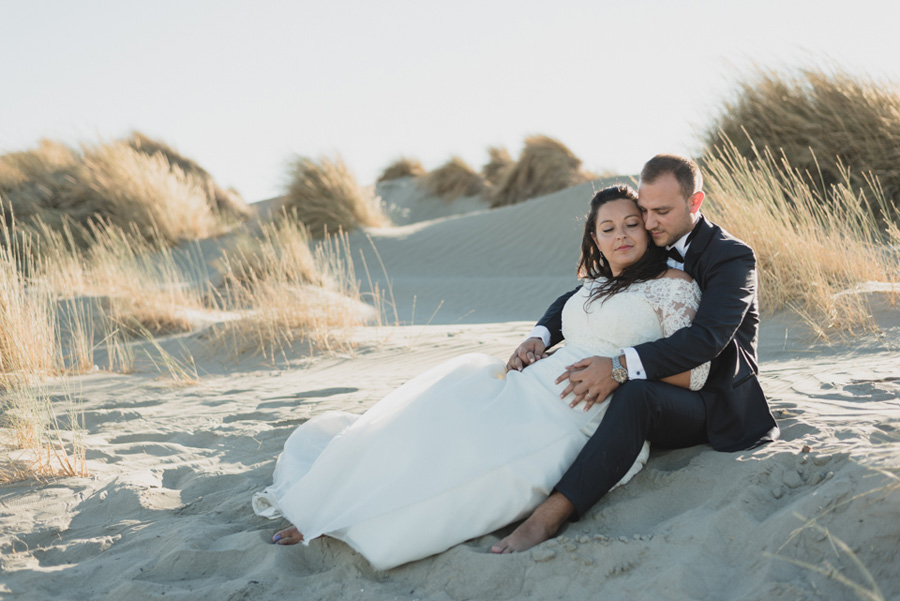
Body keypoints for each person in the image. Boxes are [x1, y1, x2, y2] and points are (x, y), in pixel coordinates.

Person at [251, 184, 710, 570]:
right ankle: (328, 507)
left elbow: (692, 372)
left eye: (632, 223)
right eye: (608, 228)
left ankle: (358, 517)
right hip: (527, 383)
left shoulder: (673, 286)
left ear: (649, 228)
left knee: (475, 456)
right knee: (438, 417)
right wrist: (537, 338)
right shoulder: (594, 283)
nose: (621, 235)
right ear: (594, 237)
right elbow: (563, 315)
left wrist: (620, 369)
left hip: (581, 409)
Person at [492, 154, 780, 554]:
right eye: (643, 210)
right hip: (647, 379)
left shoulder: (731, 257)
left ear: (695, 203)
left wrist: (620, 366)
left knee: (635, 393)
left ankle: (550, 515)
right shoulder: (653, 239)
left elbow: (706, 340)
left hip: (711, 398)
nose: (647, 222)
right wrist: (541, 334)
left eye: (660, 211)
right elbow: (590, 290)